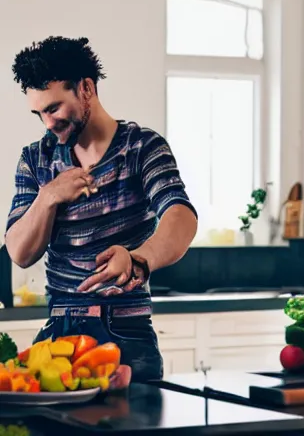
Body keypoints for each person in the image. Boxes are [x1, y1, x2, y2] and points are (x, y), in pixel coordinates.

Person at [4, 36, 198, 385]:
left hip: (126, 331)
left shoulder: (142, 147)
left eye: (54, 108)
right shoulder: (35, 159)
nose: (47, 122)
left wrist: (138, 258)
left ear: (86, 89)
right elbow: (19, 251)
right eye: (39, 113)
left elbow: (180, 216)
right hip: (58, 332)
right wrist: (49, 196)